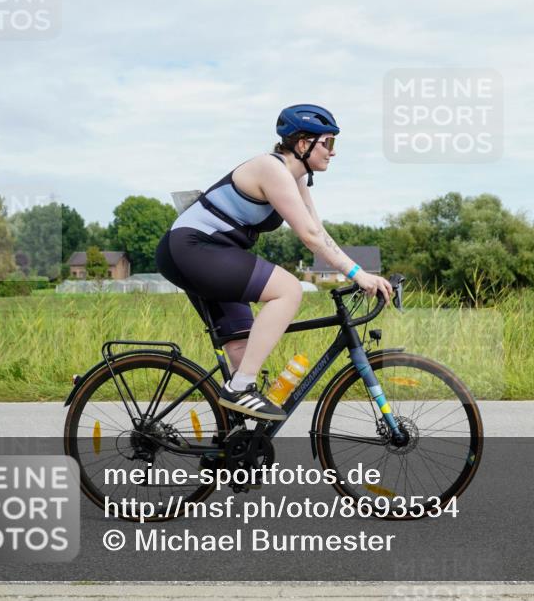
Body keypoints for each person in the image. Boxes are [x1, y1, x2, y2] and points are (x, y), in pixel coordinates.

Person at [155, 104, 393, 420]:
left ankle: (230, 448)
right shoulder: (271, 169)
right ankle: (239, 389)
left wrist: (359, 271)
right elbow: (309, 236)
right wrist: (358, 274)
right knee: (289, 290)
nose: (332, 152)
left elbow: (318, 231)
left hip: (213, 253)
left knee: (243, 353)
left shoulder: (295, 180)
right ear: (302, 142)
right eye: (328, 143)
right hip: (193, 248)